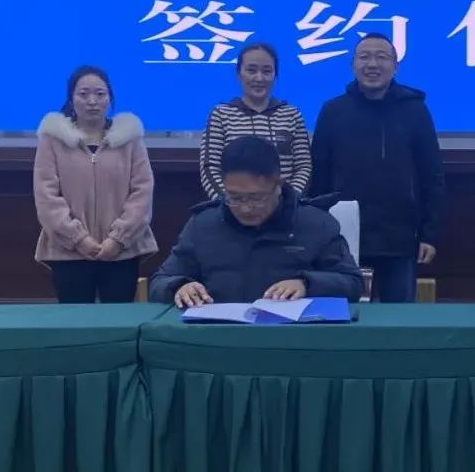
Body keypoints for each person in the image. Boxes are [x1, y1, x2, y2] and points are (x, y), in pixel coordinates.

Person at [150, 136, 363, 307]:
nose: (246, 208)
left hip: (293, 338)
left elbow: (352, 283)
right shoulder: (202, 225)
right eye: (235, 197)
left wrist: (307, 283)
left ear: (278, 185)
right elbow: (159, 282)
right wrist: (179, 286)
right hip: (217, 335)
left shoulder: (315, 223)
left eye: (257, 198)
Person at [310, 33, 445, 303]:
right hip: (343, 237)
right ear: (353, 65)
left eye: (381, 57)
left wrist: (429, 235)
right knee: (344, 315)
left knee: (399, 318)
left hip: (400, 238)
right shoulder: (333, 111)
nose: (372, 64)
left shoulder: (415, 110)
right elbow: (320, 178)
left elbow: (431, 175)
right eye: (364, 57)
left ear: (395, 66)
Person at [34, 65, 157, 303]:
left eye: (100, 94)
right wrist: (78, 239)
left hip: (121, 252)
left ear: (110, 98)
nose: (92, 101)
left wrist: (118, 239)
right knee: (75, 322)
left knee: (120, 320)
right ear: (71, 99)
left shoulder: (130, 138)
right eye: (84, 94)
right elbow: (46, 196)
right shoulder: (52, 139)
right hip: (69, 253)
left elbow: (142, 192)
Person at [201, 43, 311, 199]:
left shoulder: (292, 114)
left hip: (284, 208)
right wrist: (232, 202)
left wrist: (286, 200)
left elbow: (304, 167)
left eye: (267, 71)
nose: (259, 78)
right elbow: (209, 168)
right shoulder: (221, 114)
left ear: (275, 75)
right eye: (251, 70)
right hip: (234, 208)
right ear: (239, 73)